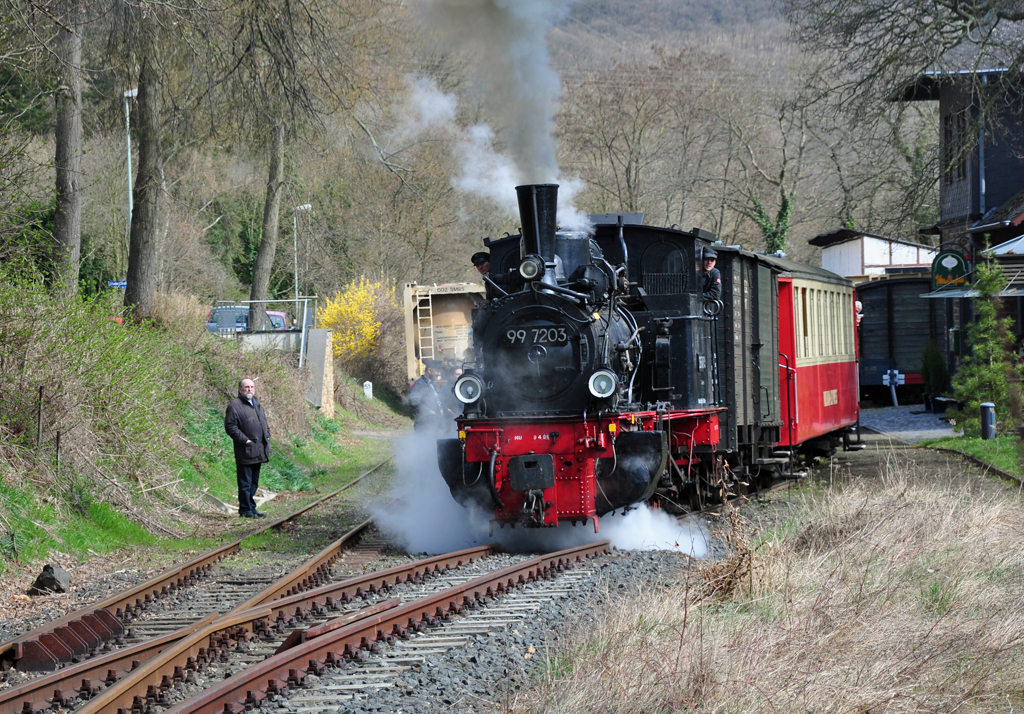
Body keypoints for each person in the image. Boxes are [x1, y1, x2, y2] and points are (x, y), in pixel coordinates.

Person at [224, 378, 271, 518]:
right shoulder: (235, 406)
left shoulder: (256, 403)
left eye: (252, 387)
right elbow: (230, 427)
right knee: (245, 482)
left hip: (259, 450)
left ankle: (252, 508)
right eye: (246, 387)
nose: (250, 389)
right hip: (245, 451)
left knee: (254, 482)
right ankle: (245, 510)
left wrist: (267, 435)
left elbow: (264, 422)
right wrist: (246, 441)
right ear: (240, 389)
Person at [408, 360, 446, 433]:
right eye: (437, 371)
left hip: (433, 426)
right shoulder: (421, 383)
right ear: (429, 370)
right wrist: (428, 411)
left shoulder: (432, 384)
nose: (439, 374)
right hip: (424, 426)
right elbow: (413, 400)